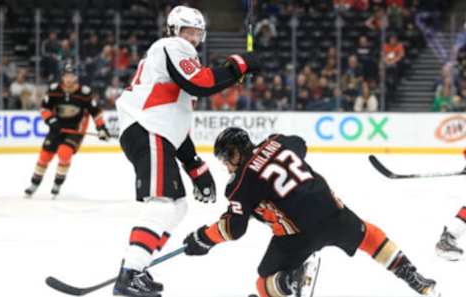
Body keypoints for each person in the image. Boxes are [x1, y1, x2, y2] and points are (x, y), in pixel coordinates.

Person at [183, 127, 440, 297]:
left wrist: (202, 238)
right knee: (368, 235)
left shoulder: (239, 185)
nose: (226, 165)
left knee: (263, 284)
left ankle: (287, 282)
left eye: (226, 157)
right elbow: (300, 144)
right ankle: (411, 275)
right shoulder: (277, 142)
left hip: (299, 234)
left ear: (237, 152)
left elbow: (233, 229)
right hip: (332, 210)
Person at [113, 5, 260, 297]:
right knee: (162, 203)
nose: (191, 38)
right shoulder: (172, 46)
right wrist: (239, 64)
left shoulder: (179, 61)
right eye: (186, 31)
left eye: (196, 32)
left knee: (178, 205)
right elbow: (202, 82)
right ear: (173, 30)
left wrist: (196, 169)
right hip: (148, 129)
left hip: (157, 132)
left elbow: (176, 123)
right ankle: (130, 272)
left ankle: (139, 267)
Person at [24, 63, 110, 198]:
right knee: (44, 156)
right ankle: (34, 183)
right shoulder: (54, 90)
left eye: (72, 76)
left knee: (64, 152)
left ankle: (57, 183)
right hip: (56, 128)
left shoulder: (85, 93)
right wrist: (52, 121)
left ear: (76, 77)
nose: (69, 79)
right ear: (62, 77)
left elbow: (96, 112)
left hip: (75, 130)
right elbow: (44, 109)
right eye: (66, 76)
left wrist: (102, 128)